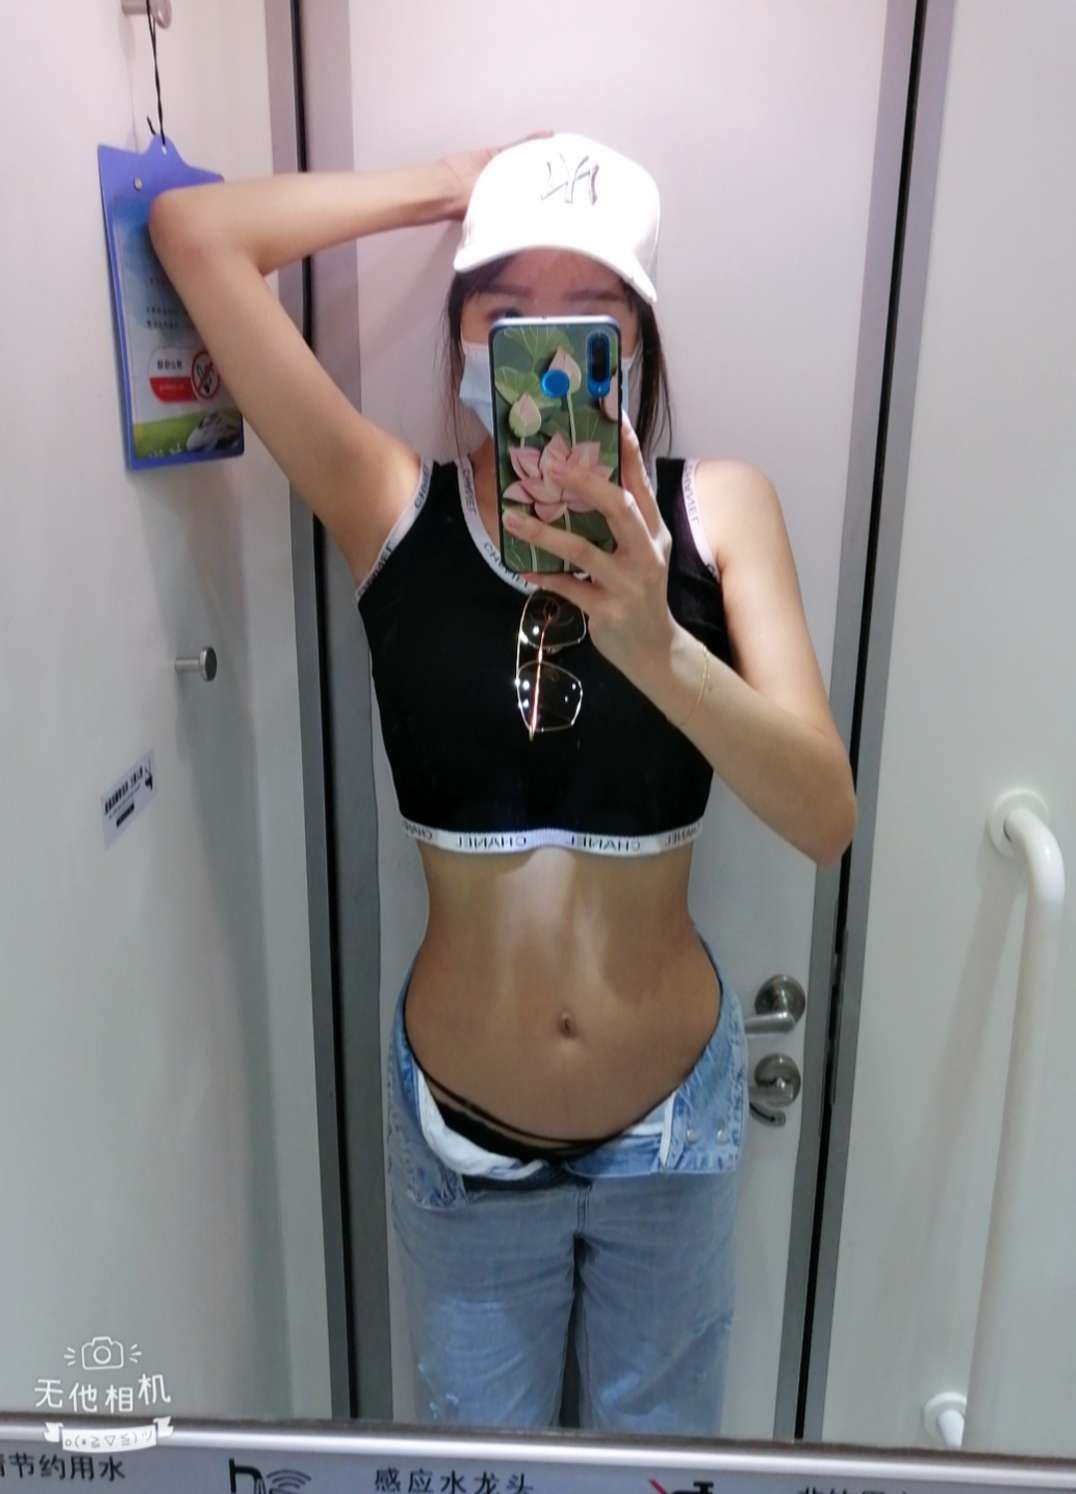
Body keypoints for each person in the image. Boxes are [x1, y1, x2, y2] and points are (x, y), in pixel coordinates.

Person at [148, 129, 857, 1436]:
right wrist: (447, 187)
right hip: (462, 1145)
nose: (546, 347)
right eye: (506, 311)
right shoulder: (389, 504)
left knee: (659, 1473)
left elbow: (825, 816)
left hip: (671, 1135)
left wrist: (655, 640)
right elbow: (196, 237)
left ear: (636, 346)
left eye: (588, 316)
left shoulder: (720, 512)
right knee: (483, 1471)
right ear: (463, 339)